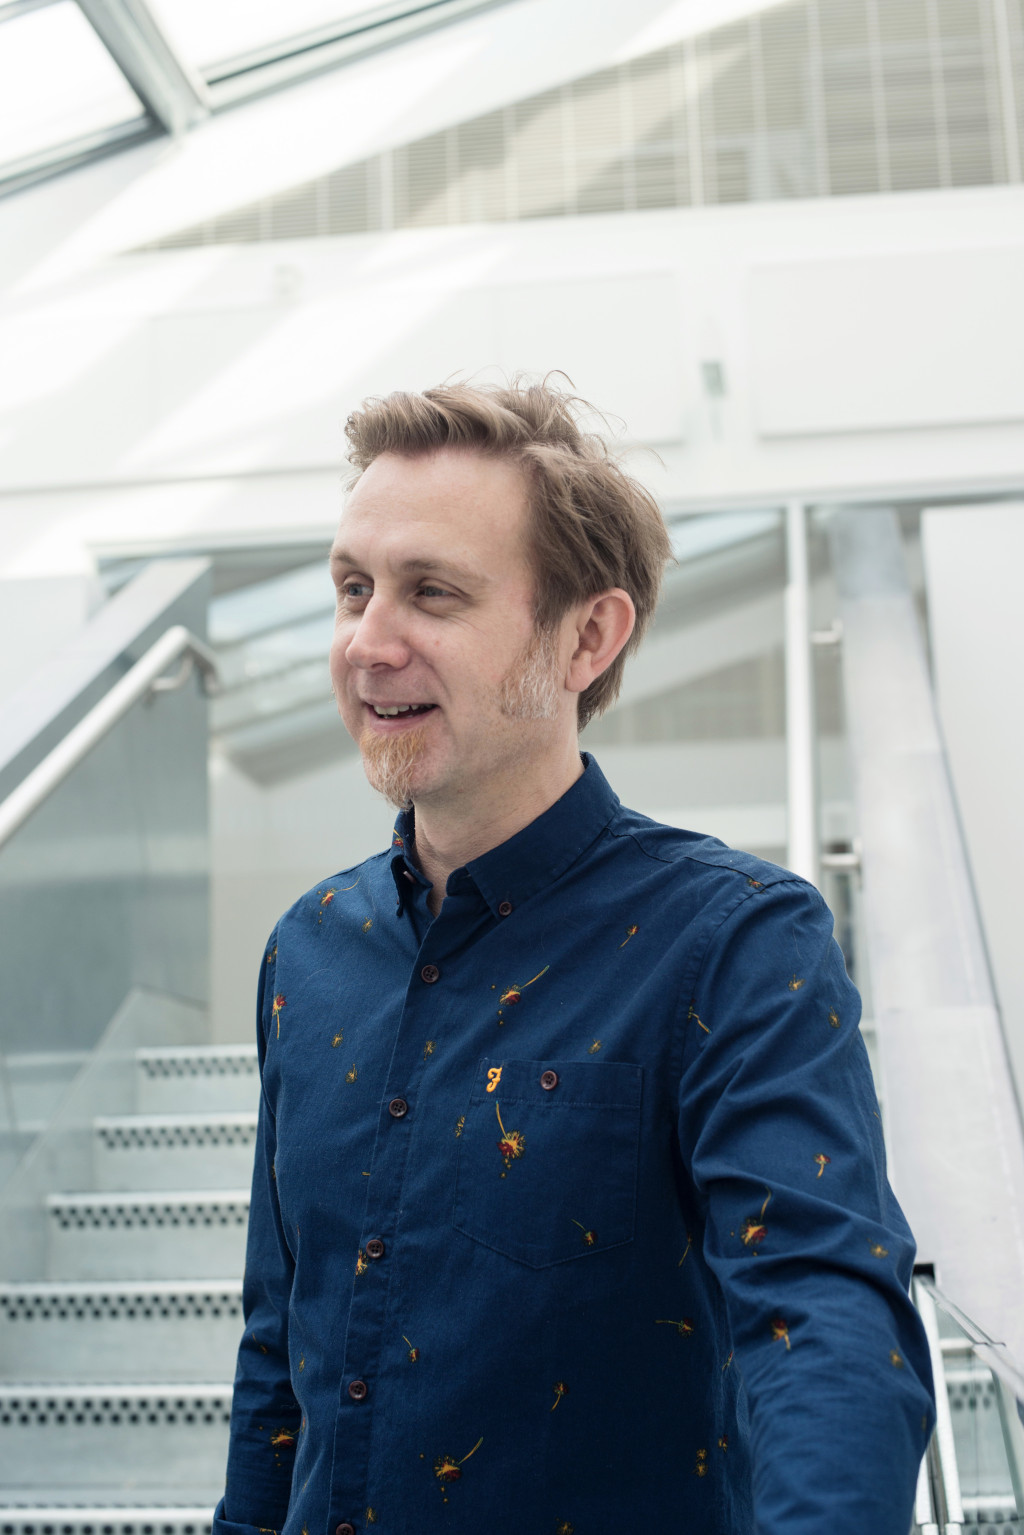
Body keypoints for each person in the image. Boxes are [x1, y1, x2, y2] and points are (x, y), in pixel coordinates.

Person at [213, 379, 935, 1535]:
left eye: (431, 593)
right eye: (352, 588)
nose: (365, 641)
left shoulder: (735, 939)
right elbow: (278, 1348)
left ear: (587, 635)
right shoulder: (307, 950)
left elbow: (821, 1313)